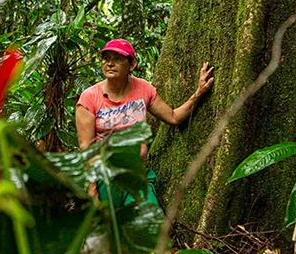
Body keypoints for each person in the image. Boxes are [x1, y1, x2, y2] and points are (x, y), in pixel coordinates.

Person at [75, 38, 214, 206]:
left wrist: (198, 93)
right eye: (106, 58)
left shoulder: (143, 89)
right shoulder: (90, 97)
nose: (110, 63)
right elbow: (86, 149)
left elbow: (173, 117)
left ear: (131, 64)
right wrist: (92, 192)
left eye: (118, 58)